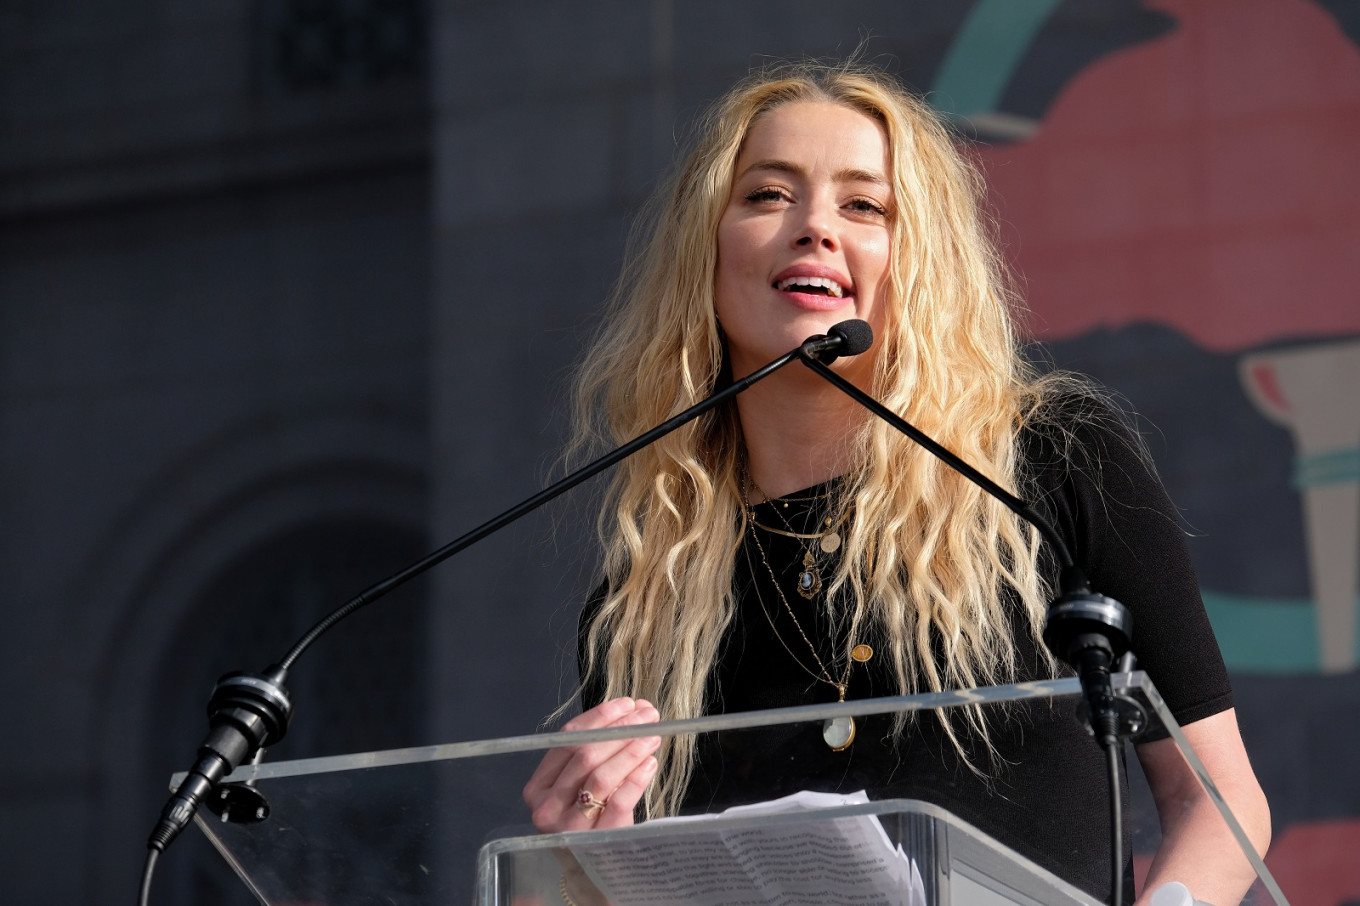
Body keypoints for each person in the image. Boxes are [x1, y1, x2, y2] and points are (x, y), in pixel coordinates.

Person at [522, 60, 1271, 905]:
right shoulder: (649, 592)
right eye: (768, 195)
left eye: (864, 205)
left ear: (920, 260)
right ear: (708, 244)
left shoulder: (1054, 464)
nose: (814, 228)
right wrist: (577, 863)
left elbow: (1217, 802)